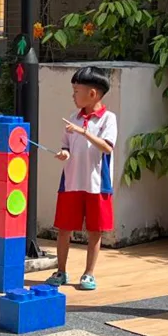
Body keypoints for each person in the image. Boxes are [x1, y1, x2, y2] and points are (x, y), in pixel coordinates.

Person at [45, 66, 118, 292]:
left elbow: (107, 147)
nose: (73, 95)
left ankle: (89, 273)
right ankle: (61, 271)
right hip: (71, 183)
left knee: (95, 231)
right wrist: (63, 153)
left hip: (97, 185)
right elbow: (66, 146)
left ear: (92, 93)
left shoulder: (108, 119)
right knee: (64, 228)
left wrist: (84, 132)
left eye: (76, 91)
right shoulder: (73, 118)